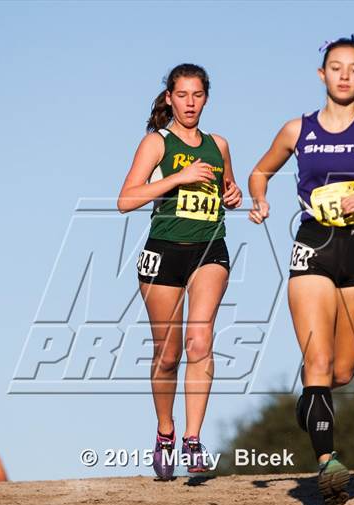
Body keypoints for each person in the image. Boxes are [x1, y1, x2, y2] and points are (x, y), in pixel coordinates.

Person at [248, 36, 354, 505]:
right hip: (312, 246)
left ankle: (311, 403)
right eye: (336, 68)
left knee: (341, 371)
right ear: (322, 74)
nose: (344, 76)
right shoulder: (298, 129)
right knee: (316, 364)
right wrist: (260, 199)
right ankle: (327, 462)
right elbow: (260, 171)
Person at [118, 63, 242, 480]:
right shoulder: (157, 143)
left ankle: (193, 438)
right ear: (170, 98)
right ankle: (165, 432)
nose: (190, 103)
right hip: (163, 252)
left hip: (210, 249)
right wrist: (178, 178)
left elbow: (226, 193)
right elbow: (126, 200)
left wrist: (233, 194)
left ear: (207, 97)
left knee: (200, 341)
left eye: (198, 95)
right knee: (167, 355)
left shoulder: (219, 144)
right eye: (182, 95)